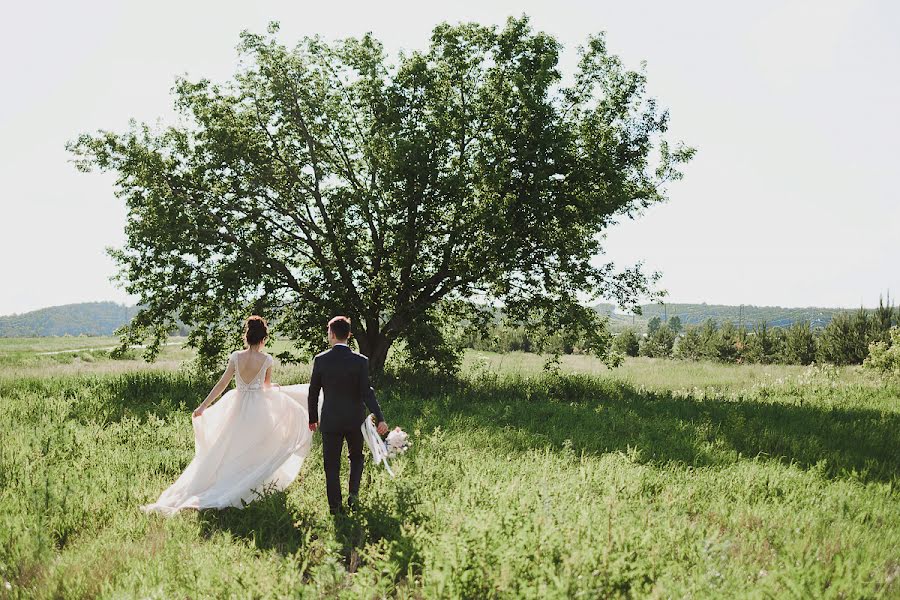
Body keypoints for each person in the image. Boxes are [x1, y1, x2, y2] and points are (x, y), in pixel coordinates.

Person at [141, 316, 312, 515]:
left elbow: (222, 385)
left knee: (230, 447)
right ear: (264, 338)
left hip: (236, 405)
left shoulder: (236, 357)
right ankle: (246, 485)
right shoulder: (266, 360)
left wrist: (203, 407)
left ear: (246, 337)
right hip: (258, 409)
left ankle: (229, 481)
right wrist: (275, 388)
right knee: (256, 447)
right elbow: (266, 388)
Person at [307, 316, 387, 514]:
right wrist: (380, 417)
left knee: (331, 465)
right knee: (356, 458)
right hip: (355, 420)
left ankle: (335, 507)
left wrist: (312, 418)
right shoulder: (360, 361)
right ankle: (353, 495)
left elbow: (313, 391)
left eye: (328, 332)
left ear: (332, 334)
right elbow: (367, 392)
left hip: (331, 420)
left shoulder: (321, 359)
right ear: (349, 335)